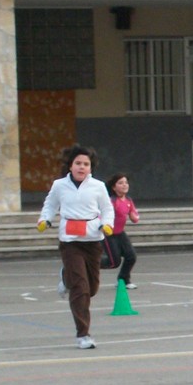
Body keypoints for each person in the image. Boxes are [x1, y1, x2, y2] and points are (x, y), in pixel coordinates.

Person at [37, 145, 115, 349]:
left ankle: (66, 277)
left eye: (86, 164)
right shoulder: (59, 185)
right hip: (70, 241)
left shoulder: (98, 186)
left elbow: (107, 209)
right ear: (70, 166)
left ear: (91, 168)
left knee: (92, 289)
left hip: (92, 240)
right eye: (78, 163)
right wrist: (45, 219)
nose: (82, 167)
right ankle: (83, 334)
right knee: (80, 288)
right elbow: (50, 205)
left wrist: (108, 225)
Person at [101, 172, 140, 290]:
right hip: (108, 234)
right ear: (114, 187)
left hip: (120, 233)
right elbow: (101, 214)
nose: (124, 185)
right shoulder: (111, 201)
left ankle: (123, 280)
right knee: (114, 262)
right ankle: (88, 263)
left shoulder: (128, 200)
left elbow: (134, 215)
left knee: (131, 256)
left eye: (126, 183)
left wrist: (134, 217)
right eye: (120, 183)